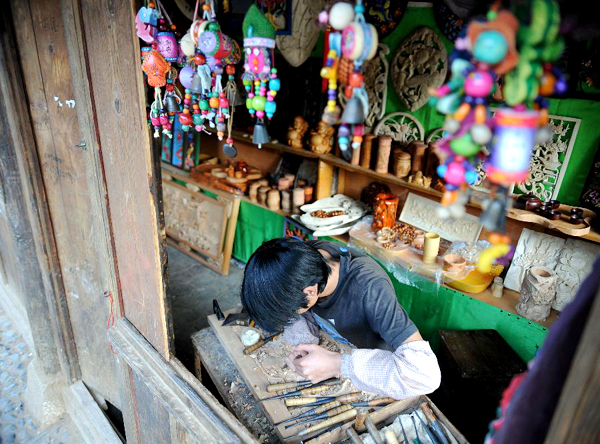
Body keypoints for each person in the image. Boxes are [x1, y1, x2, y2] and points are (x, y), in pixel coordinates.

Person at [241, 237, 441, 399]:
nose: (291, 317)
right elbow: (300, 309)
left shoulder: (369, 289)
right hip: (339, 341)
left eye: (291, 312)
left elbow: (426, 376)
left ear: (310, 291)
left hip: (378, 367)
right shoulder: (303, 257)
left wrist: (339, 364)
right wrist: (303, 343)